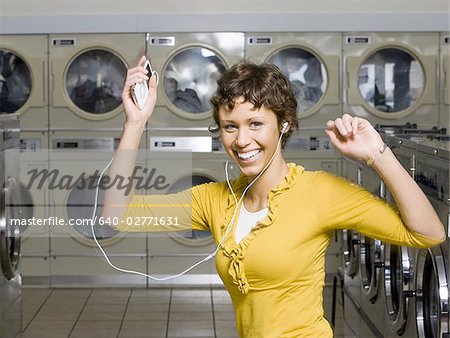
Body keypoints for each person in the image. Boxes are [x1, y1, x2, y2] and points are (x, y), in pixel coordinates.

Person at [102, 56, 445, 338]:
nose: (241, 140)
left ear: (283, 124)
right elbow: (117, 216)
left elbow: (428, 232)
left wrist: (378, 155)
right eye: (229, 126)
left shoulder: (318, 192)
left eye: (255, 123)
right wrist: (135, 123)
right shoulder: (214, 200)